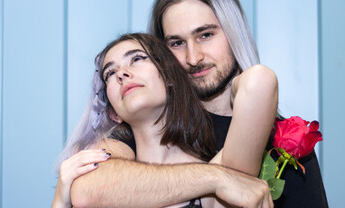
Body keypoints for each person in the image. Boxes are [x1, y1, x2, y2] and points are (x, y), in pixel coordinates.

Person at [69, 0, 327, 207]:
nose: (193, 58)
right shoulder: (152, 126)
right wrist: (217, 178)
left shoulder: (286, 142)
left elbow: (259, 81)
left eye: (205, 35)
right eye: (177, 43)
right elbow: (88, 188)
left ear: (233, 32)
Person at [52, 33, 277, 208]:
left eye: (138, 59)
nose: (122, 73)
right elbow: (87, 192)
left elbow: (259, 81)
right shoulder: (102, 170)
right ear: (114, 113)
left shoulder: (223, 174)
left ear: (170, 77)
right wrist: (60, 202)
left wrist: (220, 176)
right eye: (110, 74)